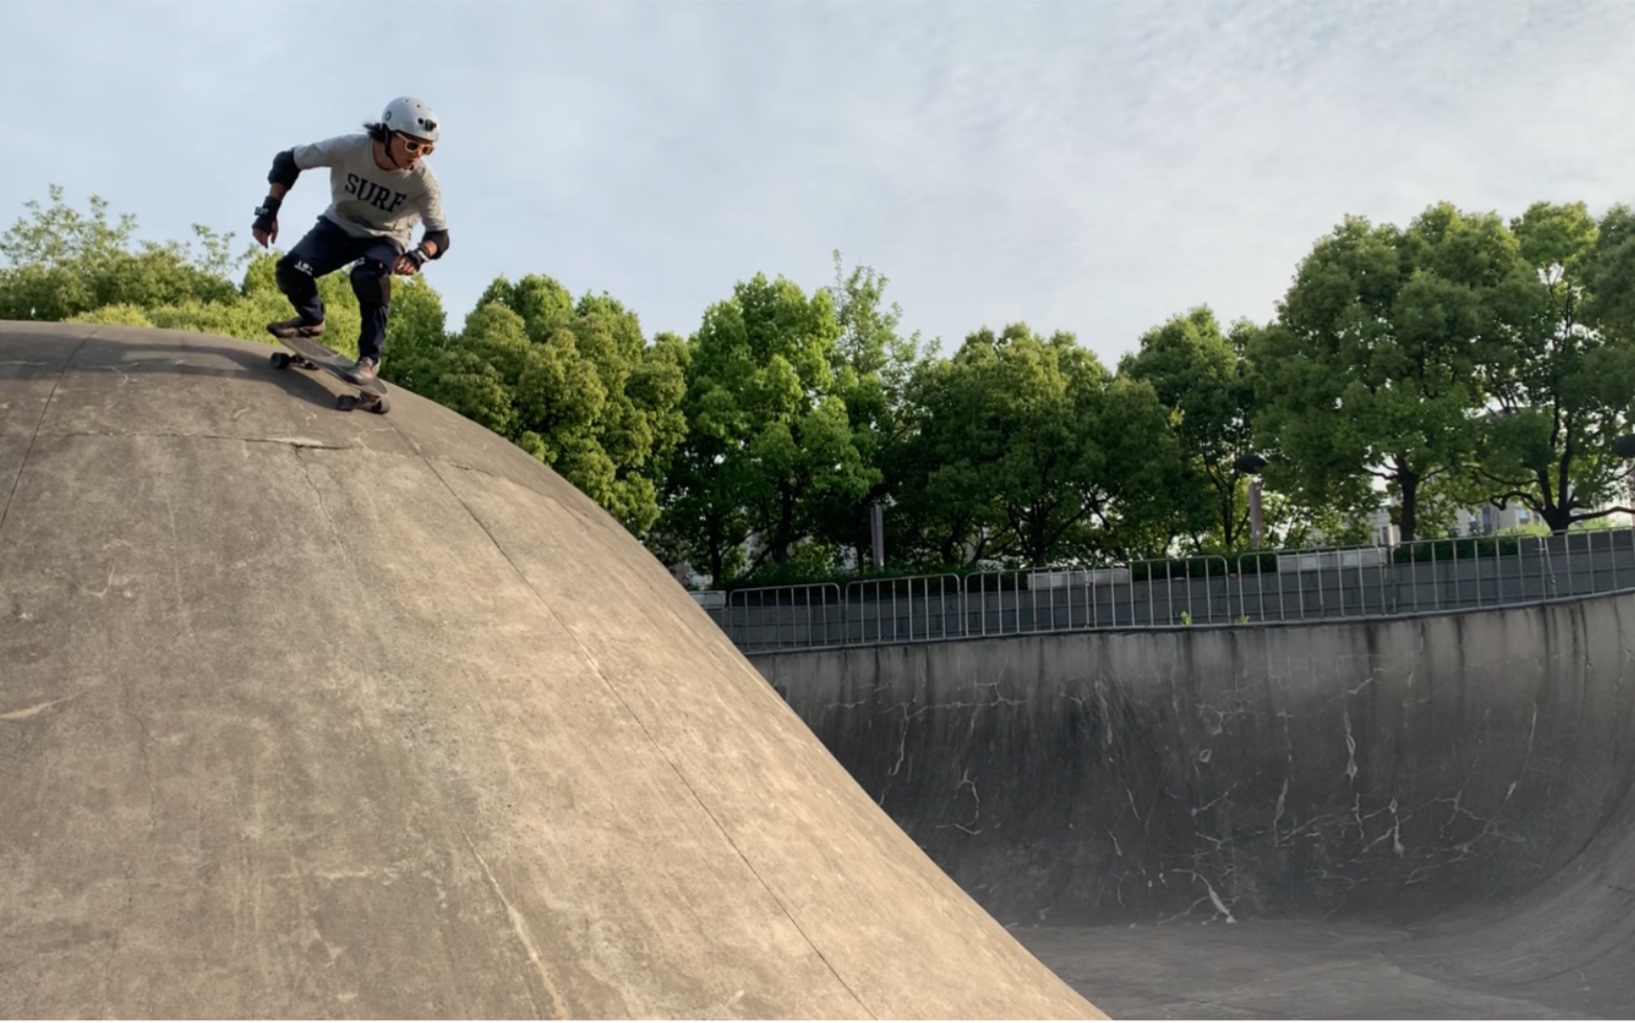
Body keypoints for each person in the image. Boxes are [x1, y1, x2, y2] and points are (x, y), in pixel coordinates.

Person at [251, 96, 451, 384]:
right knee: (289, 270)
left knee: (369, 278)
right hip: (338, 225)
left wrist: (418, 255)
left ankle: (370, 357)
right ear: (387, 134)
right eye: (411, 145)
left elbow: (439, 235)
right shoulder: (350, 148)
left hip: (385, 237)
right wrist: (268, 212)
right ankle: (311, 320)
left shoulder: (423, 182)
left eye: (427, 149)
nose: (418, 155)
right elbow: (288, 161)